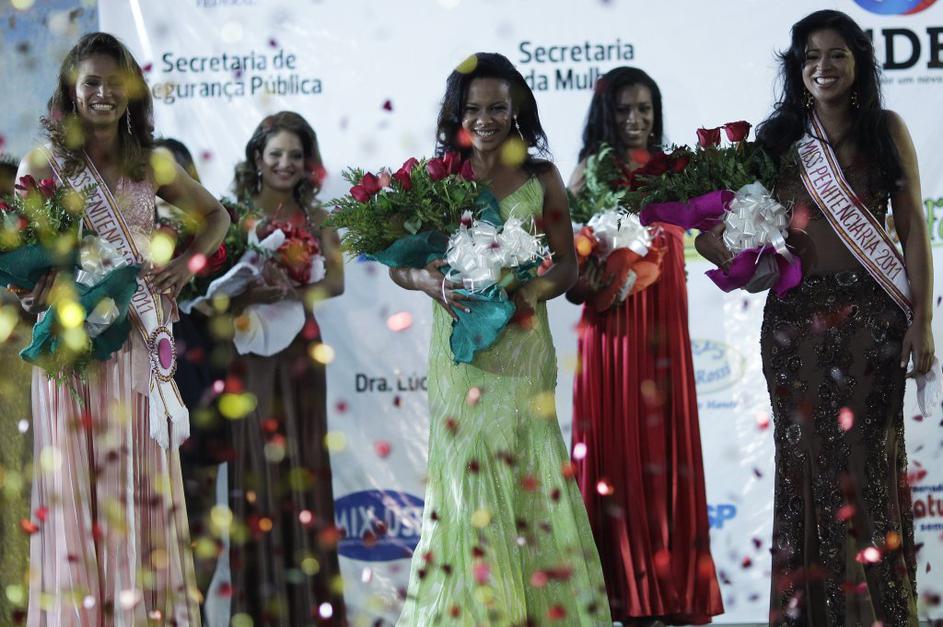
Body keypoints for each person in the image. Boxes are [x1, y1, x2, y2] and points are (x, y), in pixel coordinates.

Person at [696, 10, 932, 625]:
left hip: (872, 318)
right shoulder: (777, 139)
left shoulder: (885, 129)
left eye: (837, 54)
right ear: (796, 68)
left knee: (865, 463)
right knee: (803, 461)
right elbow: (726, 228)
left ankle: (883, 614)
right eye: (810, 56)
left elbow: (912, 228)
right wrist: (719, 245)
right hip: (794, 322)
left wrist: (923, 321)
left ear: (859, 64)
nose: (823, 67)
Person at [15, 32, 230, 625]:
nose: (103, 94)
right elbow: (22, 267)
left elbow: (217, 216)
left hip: (137, 345)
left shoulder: (152, 163)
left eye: (116, 83)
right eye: (91, 82)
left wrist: (187, 266)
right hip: (73, 353)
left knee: (136, 486)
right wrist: (31, 291)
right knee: (77, 488)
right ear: (71, 90)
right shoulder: (44, 165)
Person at [391, 52, 611, 625]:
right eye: (473, 109)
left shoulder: (542, 178)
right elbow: (400, 265)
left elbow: (567, 264)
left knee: (529, 470)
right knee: (466, 477)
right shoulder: (436, 179)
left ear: (516, 111)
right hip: (460, 350)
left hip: (523, 349)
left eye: (496, 108)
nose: (484, 119)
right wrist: (428, 282)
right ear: (457, 114)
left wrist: (531, 292)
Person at [567, 67, 723, 626]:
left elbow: (703, 235)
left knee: (662, 443)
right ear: (605, 114)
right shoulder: (589, 172)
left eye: (645, 109)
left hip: (663, 324)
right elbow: (566, 252)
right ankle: (621, 589)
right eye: (624, 109)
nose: (635, 119)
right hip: (614, 324)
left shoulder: (673, 170)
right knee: (617, 439)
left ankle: (672, 589)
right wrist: (598, 266)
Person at [227, 111, 346, 625]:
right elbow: (216, 287)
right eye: (276, 153)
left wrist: (292, 289)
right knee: (257, 464)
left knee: (304, 459)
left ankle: (309, 607)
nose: (285, 163)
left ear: (306, 163)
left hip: (301, 350)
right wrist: (253, 291)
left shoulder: (316, 216)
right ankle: (260, 608)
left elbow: (336, 282)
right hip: (251, 350)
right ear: (258, 157)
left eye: (295, 155)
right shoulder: (233, 215)